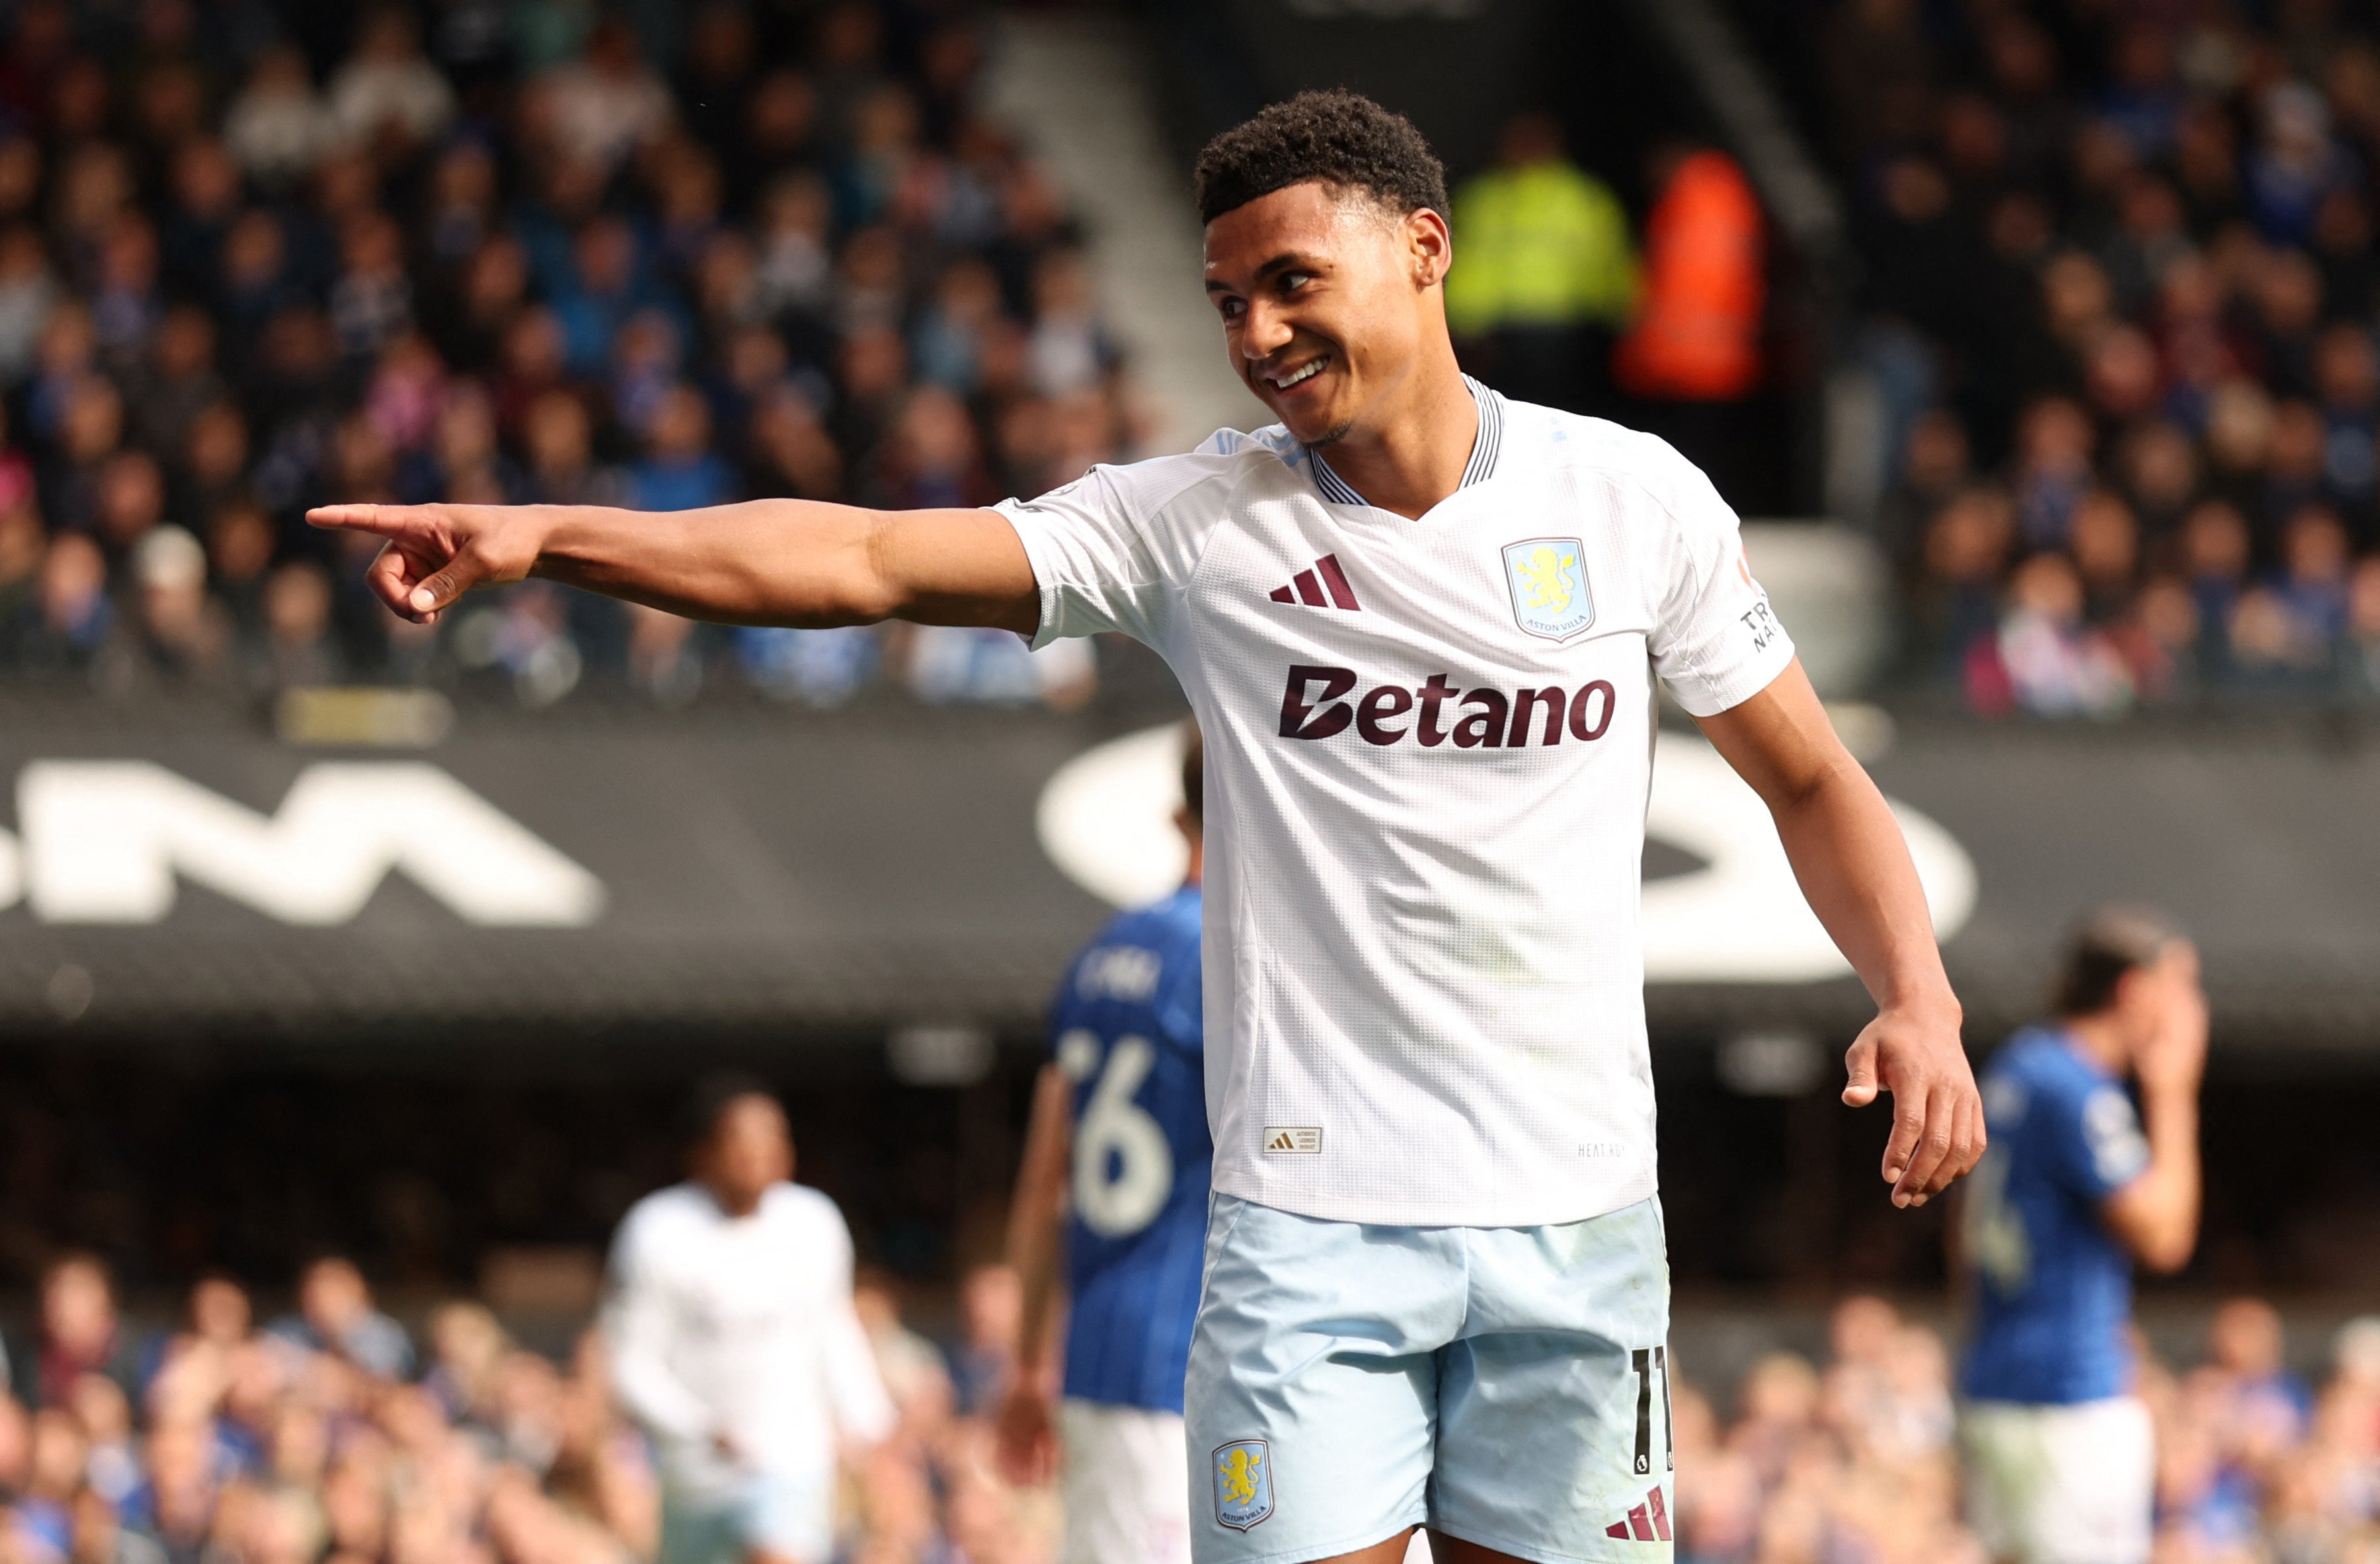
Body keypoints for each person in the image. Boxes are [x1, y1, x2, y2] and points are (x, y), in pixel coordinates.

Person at [311, 89, 1981, 1564]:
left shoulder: (1634, 504)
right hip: (1310, 1234)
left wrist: (1916, 992)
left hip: (1583, 1226)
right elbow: (865, 563)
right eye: (1226, 300)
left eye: (1291, 283)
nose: (1253, 332)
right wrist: (549, 536)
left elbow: (1813, 779)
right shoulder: (1198, 526)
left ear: (1424, 249)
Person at [999, 724, 1209, 1564]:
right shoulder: (1231, 957)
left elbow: (1041, 1181)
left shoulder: (1098, 957)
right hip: (1188, 1352)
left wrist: (1024, 1361)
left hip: (1100, 1346)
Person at [1958, 906, 2207, 1564]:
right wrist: (2175, 1091)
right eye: (2181, 987)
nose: (2191, 1011)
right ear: (2134, 988)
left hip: (1999, 1377)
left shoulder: (2021, 1063)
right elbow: (2164, 1234)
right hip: (2064, 1399)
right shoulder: (2077, 1086)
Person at [604, 1076, 893, 1564]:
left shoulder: (814, 1223)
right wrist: (699, 1428)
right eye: (742, 1139)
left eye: (774, 1137)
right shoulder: (658, 1232)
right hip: (696, 1478)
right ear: (703, 1153)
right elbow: (631, 1360)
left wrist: (872, 1424)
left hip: (792, 1461)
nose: (762, 1152)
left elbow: (833, 1331)